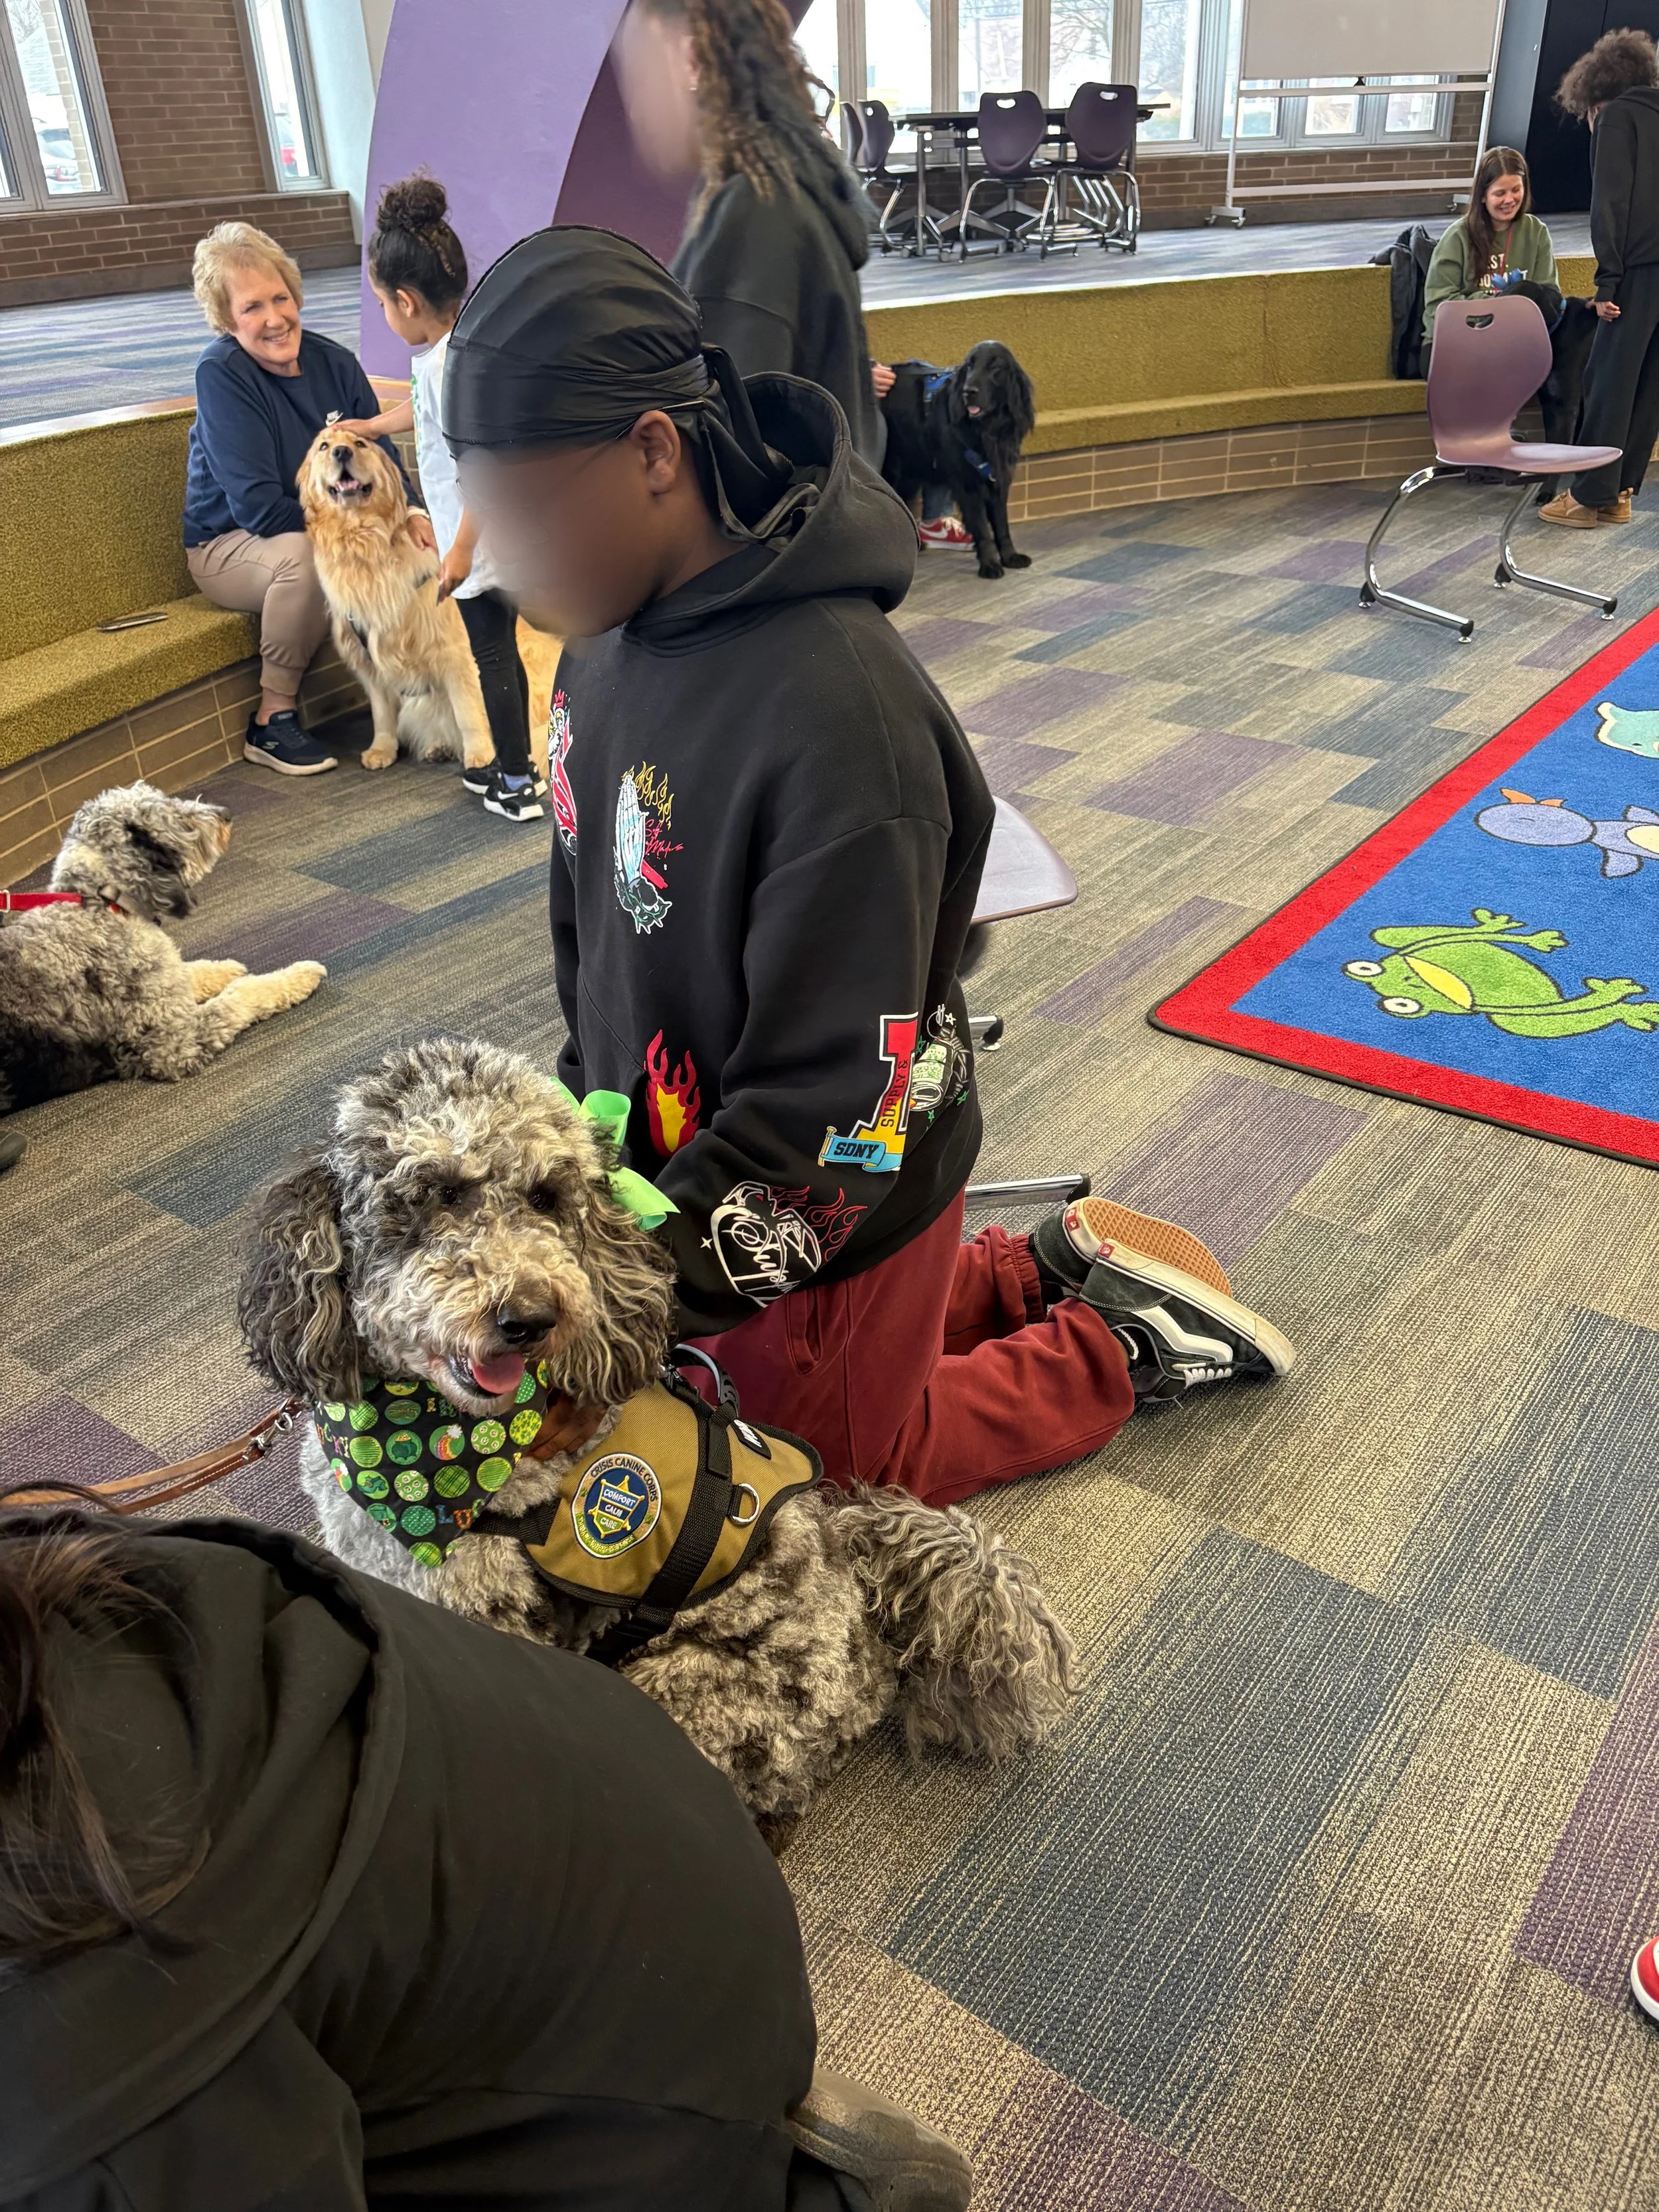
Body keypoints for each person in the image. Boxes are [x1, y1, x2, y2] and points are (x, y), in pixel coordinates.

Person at [445, 226, 1293, 1513]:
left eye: (517, 509)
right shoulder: (607, 645)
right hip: (696, 1174)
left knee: (820, 1481)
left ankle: (1116, 1348)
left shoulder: (841, 722)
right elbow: (595, 944)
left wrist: (619, 1300)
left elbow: (829, 1122)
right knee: (726, 1391)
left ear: (655, 453)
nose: (493, 559)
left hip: (840, 1186)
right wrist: (592, 1190)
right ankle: (1021, 1271)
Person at [0, 1505, 971, 2209]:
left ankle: (774, 2176)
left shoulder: (82, 2084)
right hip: (627, 1838)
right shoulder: (51, 1578)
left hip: (648, 2070)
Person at [183, 221, 431, 776]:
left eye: (281, 298)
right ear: (226, 319)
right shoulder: (222, 376)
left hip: (327, 522)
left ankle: (422, 691)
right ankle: (273, 719)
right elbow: (259, 510)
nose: (274, 318)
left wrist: (412, 512)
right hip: (232, 543)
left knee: (418, 542)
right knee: (309, 559)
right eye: (251, 308)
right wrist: (362, 528)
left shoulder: (334, 362)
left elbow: (381, 458)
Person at [340, 175, 549, 824]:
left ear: (406, 300)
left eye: (380, 304)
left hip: (479, 545)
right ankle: (513, 766)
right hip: (492, 537)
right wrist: (376, 427)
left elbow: (480, 464)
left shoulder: (444, 366)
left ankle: (516, 779)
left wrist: (459, 554)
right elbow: (428, 418)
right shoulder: (457, 352)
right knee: (499, 656)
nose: (383, 314)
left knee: (493, 659)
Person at [614, 0, 885, 467]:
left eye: (642, 77)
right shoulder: (783, 191)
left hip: (790, 538)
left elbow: (725, 446)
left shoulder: (756, 213)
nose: (636, 111)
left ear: (694, 59)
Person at [1543, 29, 1659, 528]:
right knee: (1650, 384)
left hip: (1635, 270)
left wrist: (1607, 283)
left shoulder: (1616, 117)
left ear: (1594, 95)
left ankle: (1589, 495)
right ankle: (1621, 492)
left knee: (1609, 379)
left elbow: (1610, 207)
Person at [1421, 147, 1560, 350]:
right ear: (1483, 196)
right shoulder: (1458, 236)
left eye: (1516, 190)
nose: (1509, 200)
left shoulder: (1536, 231)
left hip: (1513, 339)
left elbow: (1549, 298)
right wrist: (1496, 304)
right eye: (1500, 193)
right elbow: (1439, 304)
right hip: (1455, 341)